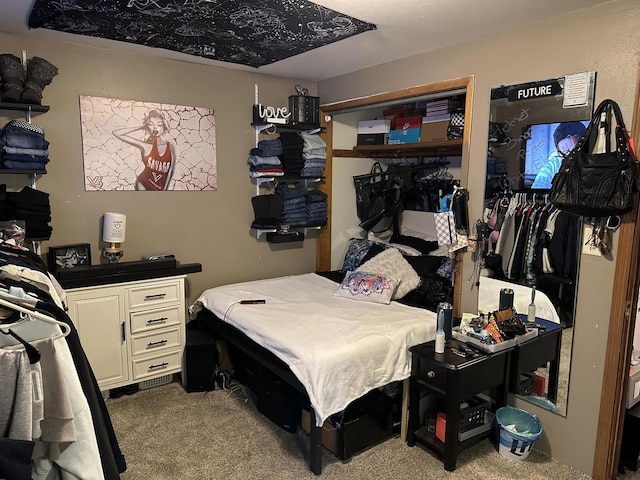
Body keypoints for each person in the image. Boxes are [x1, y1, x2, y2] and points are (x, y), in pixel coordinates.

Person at [113, 109, 176, 190]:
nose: (155, 128)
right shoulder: (144, 145)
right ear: (147, 127)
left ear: (164, 127)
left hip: (160, 188)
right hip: (143, 183)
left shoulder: (170, 146)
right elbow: (117, 133)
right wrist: (141, 127)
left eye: (159, 125)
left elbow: (171, 169)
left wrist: (165, 189)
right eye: (151, 124)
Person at [531, 121, 586, 189]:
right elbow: (538, 189)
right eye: (564, 153)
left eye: (567, 147)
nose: (569, 155)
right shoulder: (553, 165)